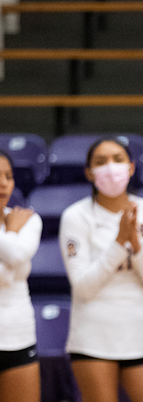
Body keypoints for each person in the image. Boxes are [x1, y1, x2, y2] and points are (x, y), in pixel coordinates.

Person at [58, 138, 143, 402]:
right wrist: (120, 243)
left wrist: (137, 248)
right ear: (89, 172)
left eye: (118, 159)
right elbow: (83, 287)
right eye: (100, 162)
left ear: (131, 167)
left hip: (139, 336)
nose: (111, 167)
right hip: (92, 338)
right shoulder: (75, 216)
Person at [0, 151, 42, 402]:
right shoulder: (18, 225)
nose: (3, 183)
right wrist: (11, 232)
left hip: (19, 334)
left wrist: (11, 232)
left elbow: (15, 258)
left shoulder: (28, 220)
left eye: (8, 176)